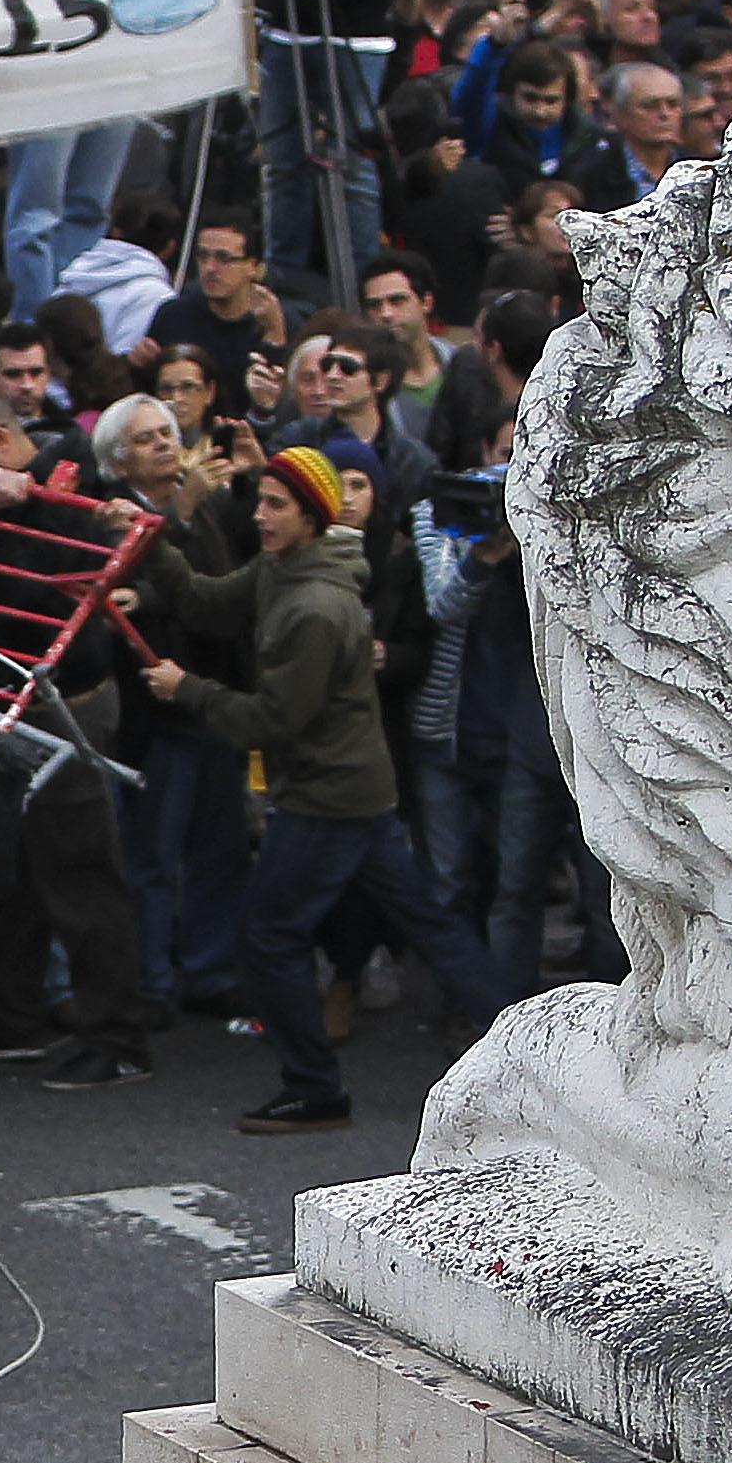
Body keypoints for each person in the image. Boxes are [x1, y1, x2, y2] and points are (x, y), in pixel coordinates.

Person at [118, 446, 513, 1132]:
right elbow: (209, 603)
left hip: (326, 796)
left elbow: (273, 718)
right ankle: (521, 1043)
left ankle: (315, 1086)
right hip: (352, 789)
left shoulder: (315, 607)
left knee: (272, 935)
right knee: (429, 922)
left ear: (311, 515)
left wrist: (190, 690)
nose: (261, 515)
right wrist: (153, 539)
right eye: (261, 500)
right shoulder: (282, 569)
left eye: (277, 504)